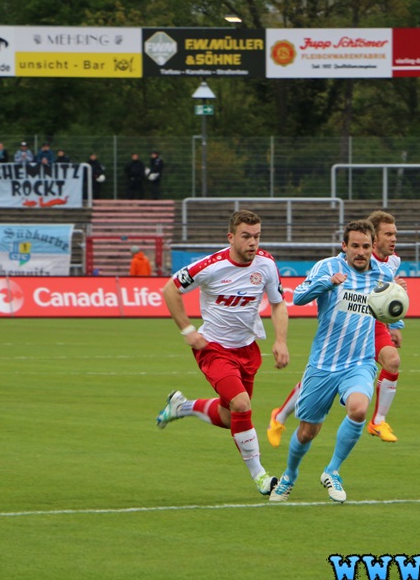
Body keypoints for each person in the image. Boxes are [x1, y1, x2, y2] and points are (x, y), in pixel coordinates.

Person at [155, 210, 289, 496]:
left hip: (247, 349)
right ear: (231, 237)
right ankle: (261, 477)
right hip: (213, 349)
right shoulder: (211, 266)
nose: (253, 242)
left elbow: (278, 304)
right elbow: (170, 289)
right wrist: (187, 330)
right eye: (246, 237)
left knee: (231, 416)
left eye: (257, 236)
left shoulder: (266, 264)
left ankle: (183, 407)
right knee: (241, 405)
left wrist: (280, 341)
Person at [268, 220, 401, 503]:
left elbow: (389, 309)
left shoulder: (382, 274)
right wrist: (327, 283)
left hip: (360, 362)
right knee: (307, 432)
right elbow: (300, 297)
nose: (361, 252)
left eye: (366, 246)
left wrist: (396, 302)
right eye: (355, 246)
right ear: (344, 246)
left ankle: (332, 470)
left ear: (373, 246)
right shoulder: (328, 267)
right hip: (323, 364)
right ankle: (290, 475)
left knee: (358, 409)